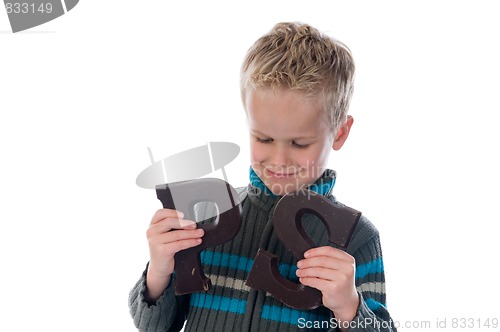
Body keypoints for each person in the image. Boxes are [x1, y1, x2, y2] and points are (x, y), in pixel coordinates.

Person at [129, 22, 397, 331]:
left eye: (299, 143)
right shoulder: (204, 216)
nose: (279, 160)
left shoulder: (357, 238)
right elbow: (156, 326)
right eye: (264, 140)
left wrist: (350, 307)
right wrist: (158, 273)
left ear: (340, 132)